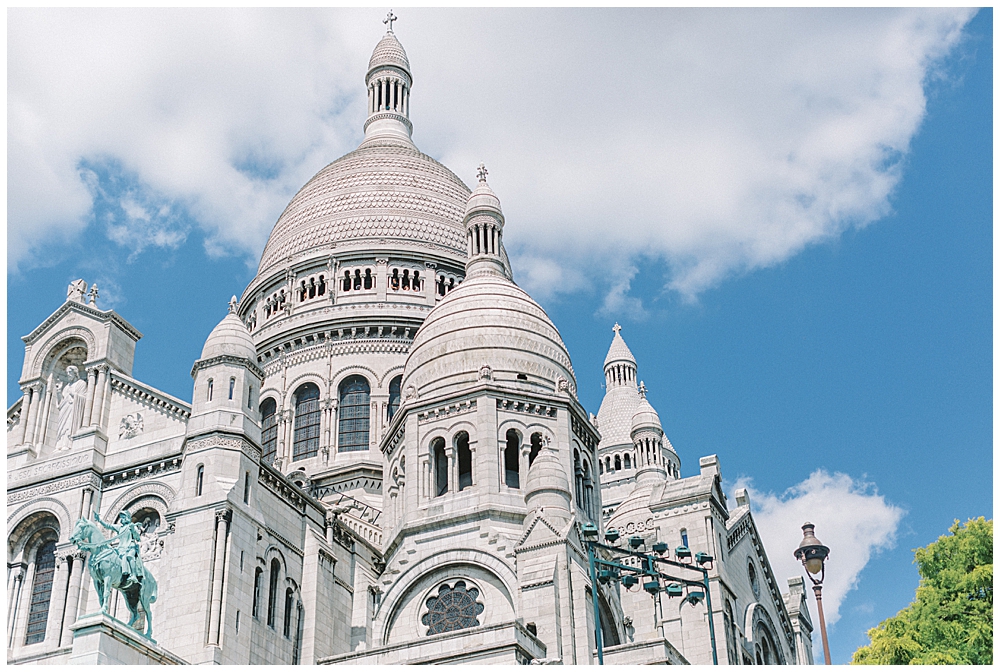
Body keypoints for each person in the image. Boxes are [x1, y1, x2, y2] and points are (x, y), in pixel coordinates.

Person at [95, 510, 145, 587]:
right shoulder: (120, 528)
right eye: (121, 517)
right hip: (121, 548)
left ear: (128, 517)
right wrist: (99, 520)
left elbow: (137, 538)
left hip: (130, 546)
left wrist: (132, 529)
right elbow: (108, 526)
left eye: (124, 517)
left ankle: (134, 575)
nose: (122, 518)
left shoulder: (132, 526)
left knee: (129, 556)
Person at [55, 365, 88, 450]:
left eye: (70, 372)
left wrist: (74, 394)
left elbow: (84, 398)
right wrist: (58, 392)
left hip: (74, 409)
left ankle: (67, 444)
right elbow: (61, 402)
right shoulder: (66, 387)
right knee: (62, 427)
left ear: (75, 373)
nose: (68, 374)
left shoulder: (81, 383)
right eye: (67, 373)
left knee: (69, 426)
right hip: (64, 409)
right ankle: (59, 445)